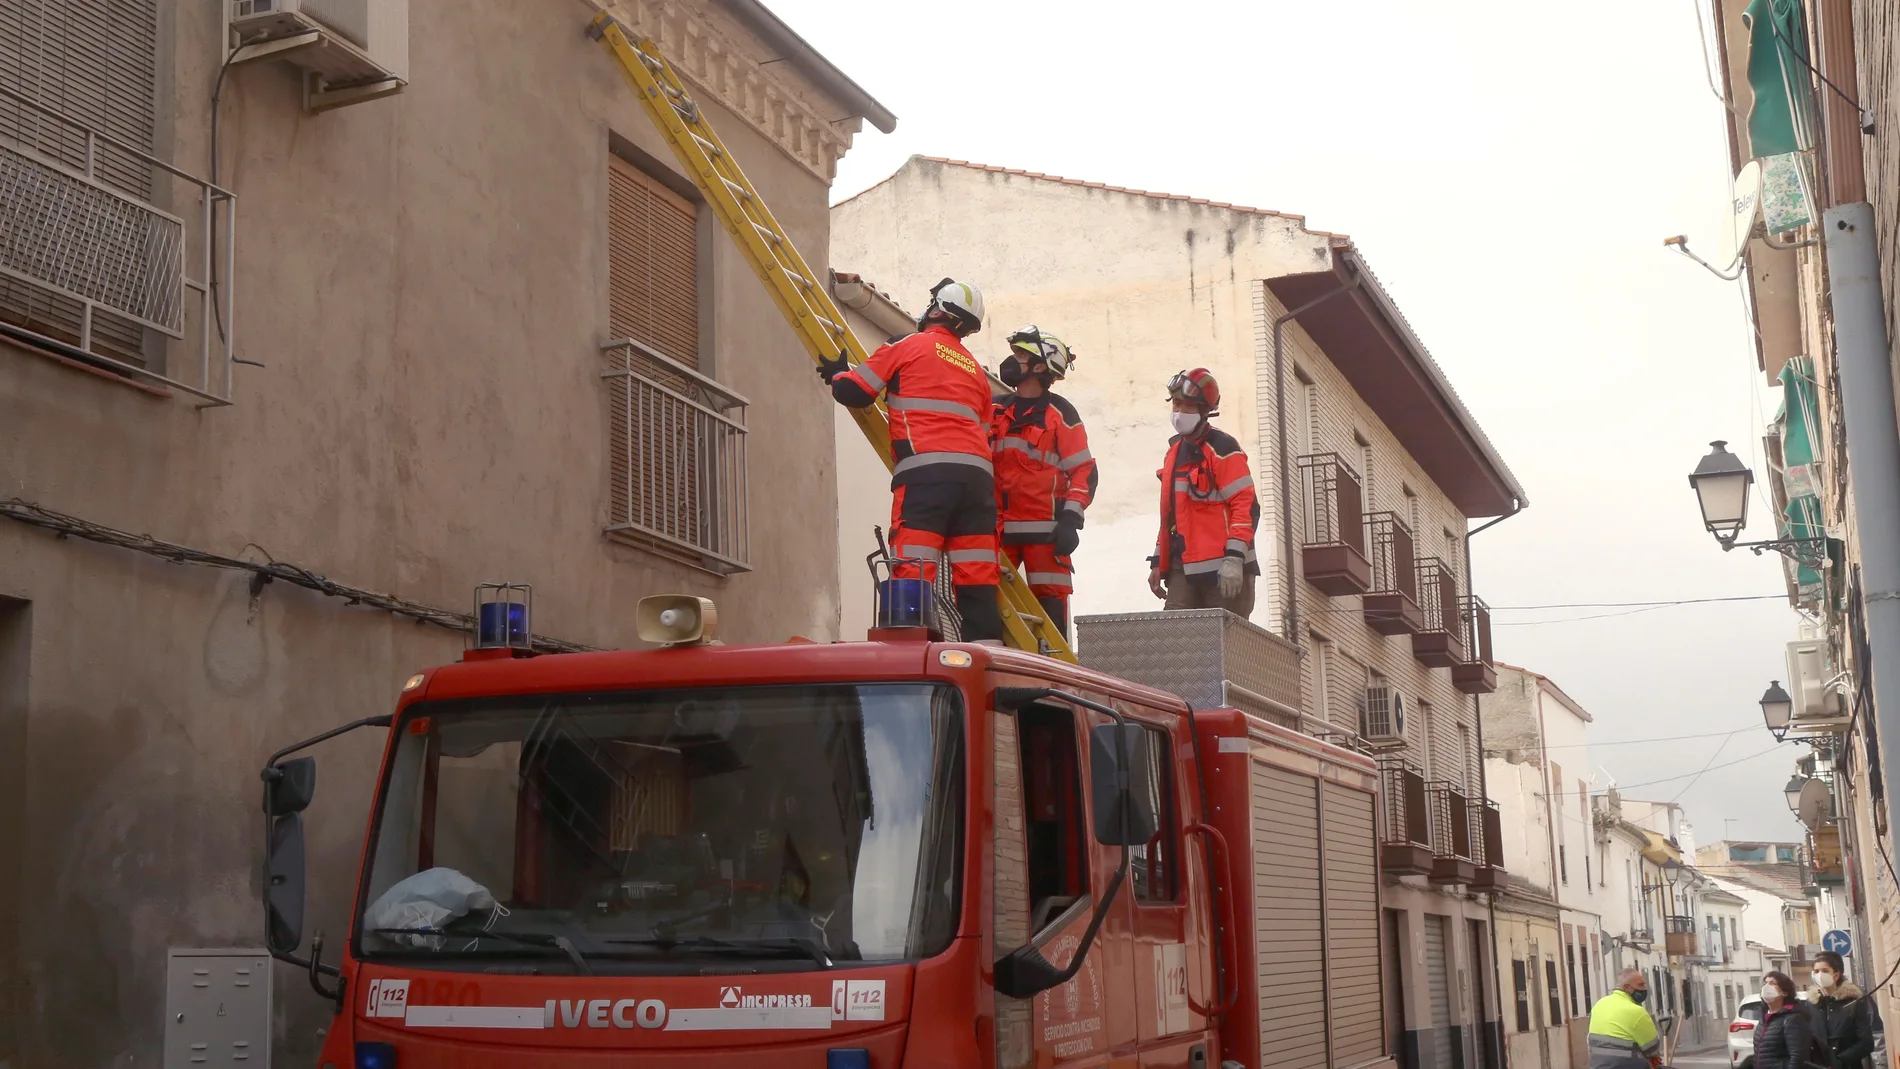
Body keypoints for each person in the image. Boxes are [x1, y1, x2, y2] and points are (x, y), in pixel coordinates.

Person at [822, 278, 1003, 641]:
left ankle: (907, 657)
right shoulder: (975, 371)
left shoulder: (908, 345)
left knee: (913, 570)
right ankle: (989, 667)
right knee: (978, 579)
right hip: (978, 485)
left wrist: (837, 373)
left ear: (937, 308)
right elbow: (982, 428)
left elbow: (855, 392)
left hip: (926, 478)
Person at [990, 325, 1097, 639]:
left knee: (1050, 625)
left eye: (1021, 355)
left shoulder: (1060, 415)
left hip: (1046, 534)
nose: (1013, 360)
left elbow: (1084, 472)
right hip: (997, 532)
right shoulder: (995, 409)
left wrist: (1070, 520)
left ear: (1039, 366)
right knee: (993, 614)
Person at [1147, 368, 1260, 615]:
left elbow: (1247, 506)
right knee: (1176, 641)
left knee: (1225, 645)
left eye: (1187, 406)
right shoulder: (1174, 452)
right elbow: (1170, 516)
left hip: (1225, 569)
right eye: (1176, 404)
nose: (1179, 413)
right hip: (1184, 567)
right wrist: (1158, 562)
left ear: (1204, 410)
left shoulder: (1223, 448)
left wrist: (1234, 559)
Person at [1588, 968, 1662, 1069]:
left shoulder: (1599, 1005)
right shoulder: (1637, 1012)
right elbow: (1652, 1048)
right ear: (1627, 987)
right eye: (1640, 985)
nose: (1644, 988)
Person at [1811, 951, 1874, 1069]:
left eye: (1825, 971)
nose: (1820, 975)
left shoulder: (1853, 1002)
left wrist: (1840, 1060)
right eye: (1816, 971)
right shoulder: (1811, 1005)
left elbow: (1866, 1043)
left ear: (1836, 975)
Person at [1756, 970, 1816, 1069]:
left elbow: (1798, 1057)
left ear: (1784, 992)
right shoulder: (1765, 1017)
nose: (1766, 987)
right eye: (1765, 983)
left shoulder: (1793, 1018)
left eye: (1773, 983)